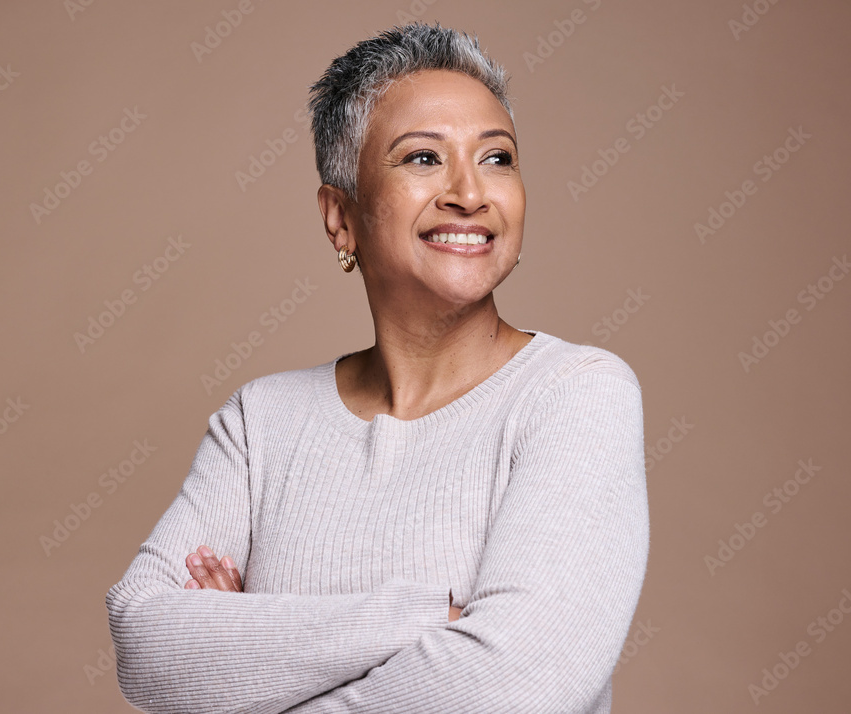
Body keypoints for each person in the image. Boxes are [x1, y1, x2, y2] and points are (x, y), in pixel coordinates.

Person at [105, 21, 648, 713]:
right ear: (341, 218)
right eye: (423, 158)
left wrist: (253, 651)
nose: (469, 192)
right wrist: (428, 620)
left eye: (498, 158)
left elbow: (517, 687)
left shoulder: (576, 395)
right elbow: (146, 641)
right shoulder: (261, 424)